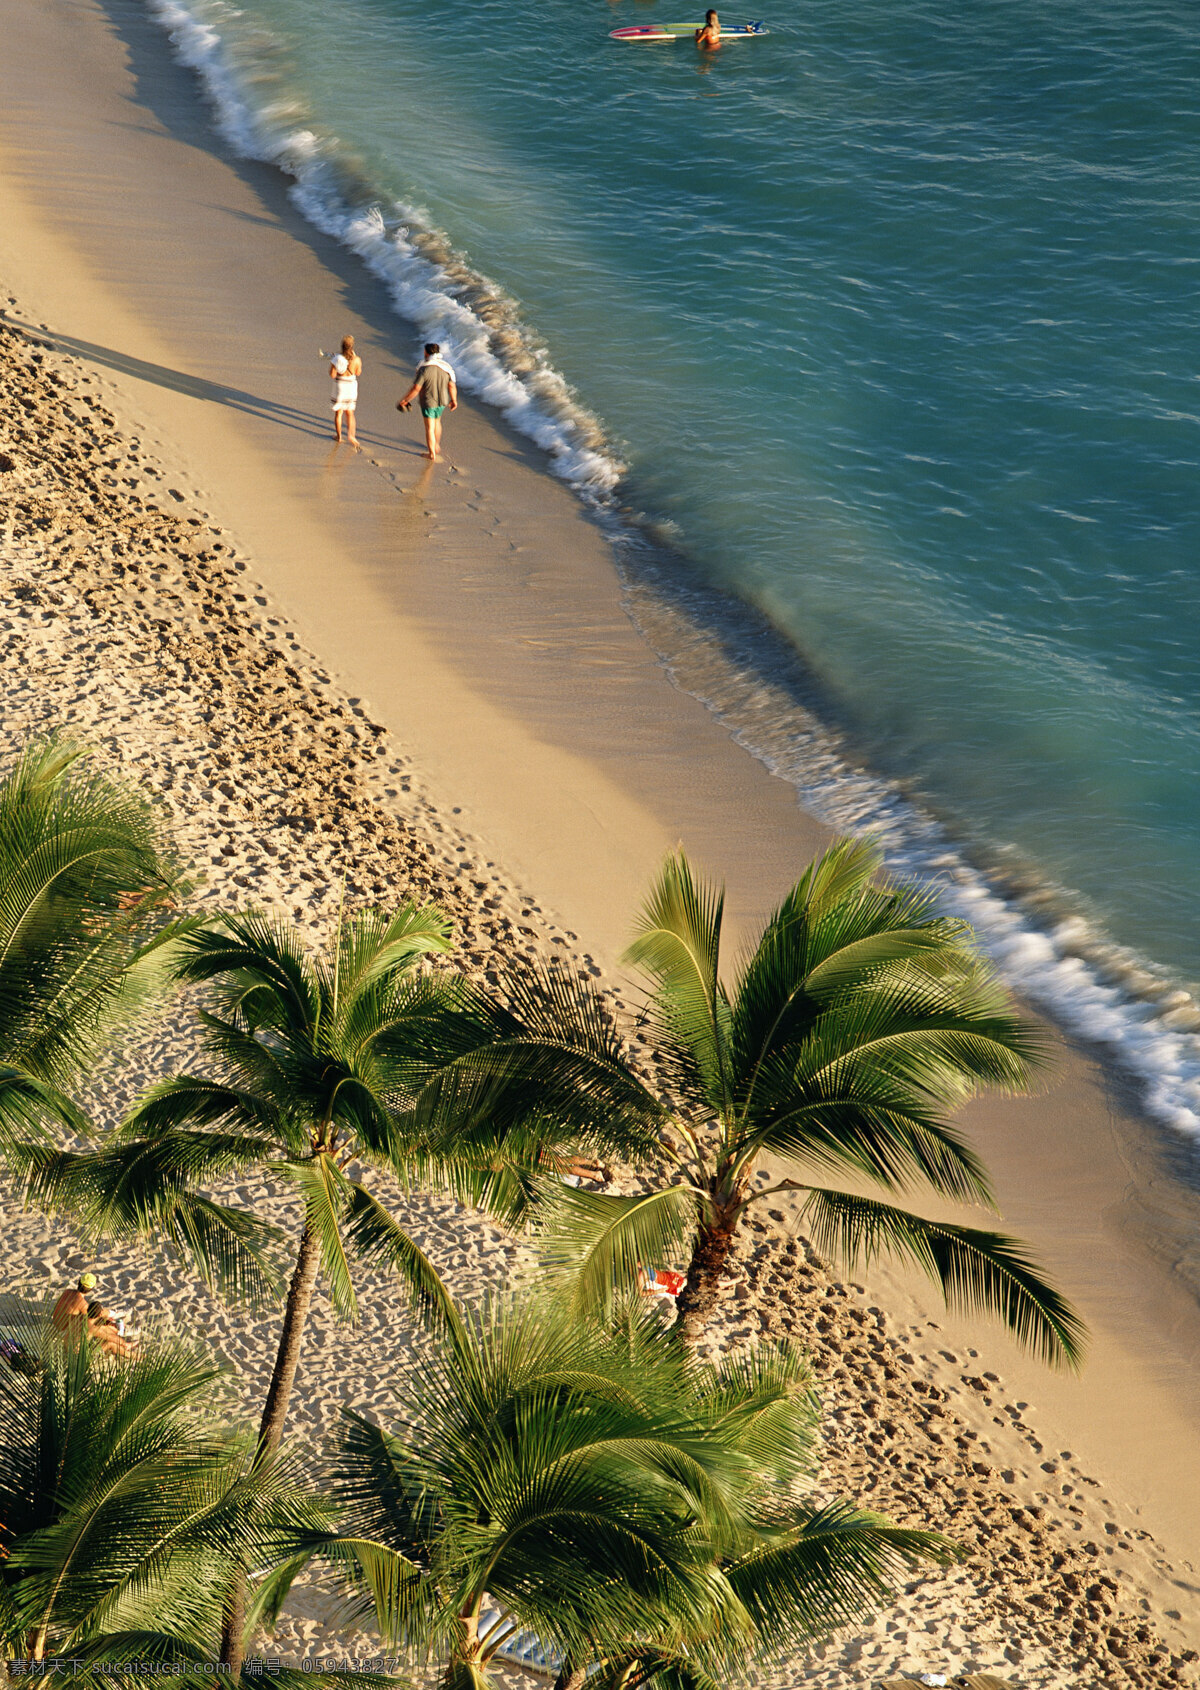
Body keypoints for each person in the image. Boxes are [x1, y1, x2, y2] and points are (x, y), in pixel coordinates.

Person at [397, 343, 458, 461]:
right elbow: (452, 386)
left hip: (428, 401)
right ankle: (436, 446)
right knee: (437, 422)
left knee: (429, 427)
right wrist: (454, 400)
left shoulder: (424, 368)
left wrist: (405, 400)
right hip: (442, 400)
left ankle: (431, 454)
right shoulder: (446, 367)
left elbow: (416, 389)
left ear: (426, 353)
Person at [329, 335, 363, 446]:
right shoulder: (357, 359)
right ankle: (351, 436)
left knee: (339, 413)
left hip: (340, 385)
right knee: (350, 413)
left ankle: (339, 437)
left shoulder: (337, 359)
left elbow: (332, 374)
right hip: (351, 386)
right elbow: (358, 373)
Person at [52, 1271, 97, 1341]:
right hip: (63, 1332)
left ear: (78, 1282)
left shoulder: (67, 1292)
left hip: (54, 1325)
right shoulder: (83, 1305)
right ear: (91, 1289)